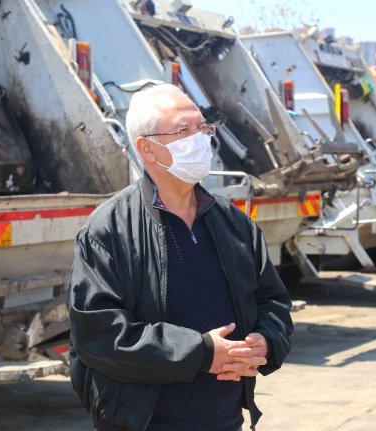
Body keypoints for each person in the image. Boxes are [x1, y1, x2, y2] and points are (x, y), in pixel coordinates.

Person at [66, 84, 294, 431]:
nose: (201, 140)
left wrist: (266, 341)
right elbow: (100, 336)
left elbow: (272, 301)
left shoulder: (234, 223)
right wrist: (201, 353)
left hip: (225, 422)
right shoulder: (108, 230)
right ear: (148, 149)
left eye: (203, 127)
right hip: (142, 424)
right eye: (183, 130)